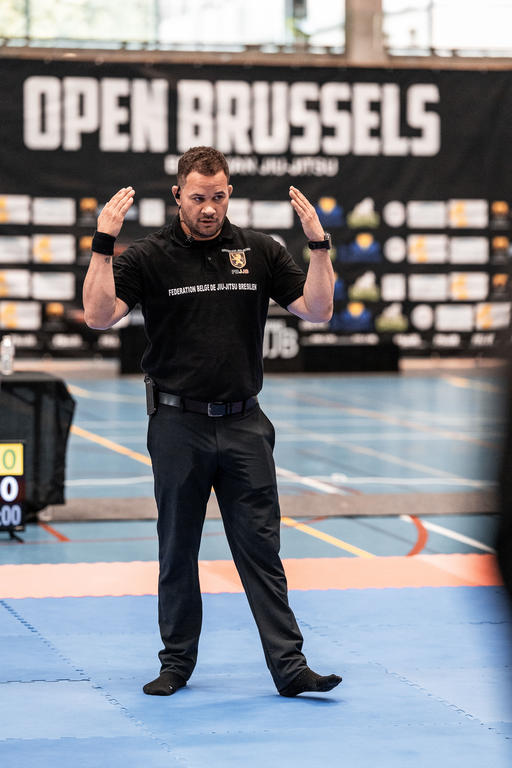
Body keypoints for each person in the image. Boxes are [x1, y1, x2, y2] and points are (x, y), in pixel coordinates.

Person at [83, 146, 341, 698]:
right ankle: (176, 664)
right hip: (178, 425)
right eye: (198, 197)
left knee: (262, 551)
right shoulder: (149, 256)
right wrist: (104, 242)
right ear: (178, 195)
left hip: (246, 424)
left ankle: (290, 668)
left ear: (229, 195)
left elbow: (318, 310)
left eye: (218, 197)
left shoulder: (260, 250)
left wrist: (319, 246)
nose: (208, 208)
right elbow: (100, 316)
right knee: (178, 549)